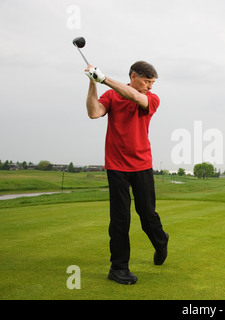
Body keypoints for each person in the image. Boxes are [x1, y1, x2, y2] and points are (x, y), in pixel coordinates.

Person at [85, 61, 169, 285]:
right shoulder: (112, 96)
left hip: (142, 165)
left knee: (147, 214)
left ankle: (161, 241)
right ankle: (118, 267)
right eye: (147, 81)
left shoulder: (151, 98)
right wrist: (93, 84)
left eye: (152, 82)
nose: (150, 87)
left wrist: (104, 79)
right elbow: (94, 113)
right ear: (133, 76)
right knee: (120, 220)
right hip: (116, 167)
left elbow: (137, 98)